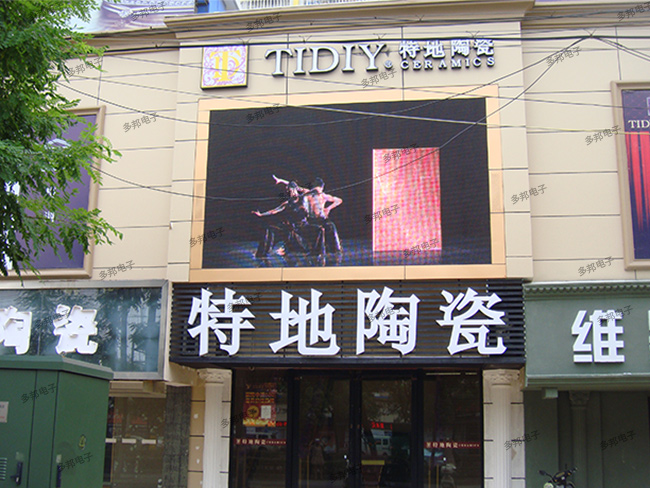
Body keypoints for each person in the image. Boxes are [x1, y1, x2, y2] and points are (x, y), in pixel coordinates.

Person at [252, 181, 324, 258]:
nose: (291, 193)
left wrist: (317, 189)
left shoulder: (303, 197)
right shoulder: (287, 203)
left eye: (292, 191)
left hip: (303, 225)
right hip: (291, 227)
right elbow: (274, 211)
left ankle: (316, 252)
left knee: (320, 229)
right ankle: (263, 253)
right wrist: (261, 214)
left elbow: (314, 191)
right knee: (270, 229)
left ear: (296, 189)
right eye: (289, 191)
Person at [304, 178, 343, 253]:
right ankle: (316, 249)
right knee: (318, 230)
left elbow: (339, 200)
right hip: (311, 220)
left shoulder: (323, 196)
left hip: (322, 219)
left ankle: (335, 248)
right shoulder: (308, 195)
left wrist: (328, 208)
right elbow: (297, 188)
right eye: (316, 189)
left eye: (320, 189)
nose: (318, 191)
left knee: (331, 226)